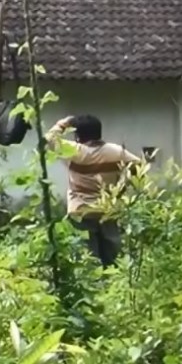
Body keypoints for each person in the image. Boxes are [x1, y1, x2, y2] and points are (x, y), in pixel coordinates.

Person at [45, 114, 141, 267]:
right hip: (108, 208)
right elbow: (138, 166)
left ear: (77, 134)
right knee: (113, 254)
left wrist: (63, 124)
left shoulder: (74, 151)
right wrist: (121, 187)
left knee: (88, 257)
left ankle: (95, 286)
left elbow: (49, 138)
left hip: (81, 210)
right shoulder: (116, 151)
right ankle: (115, 285)